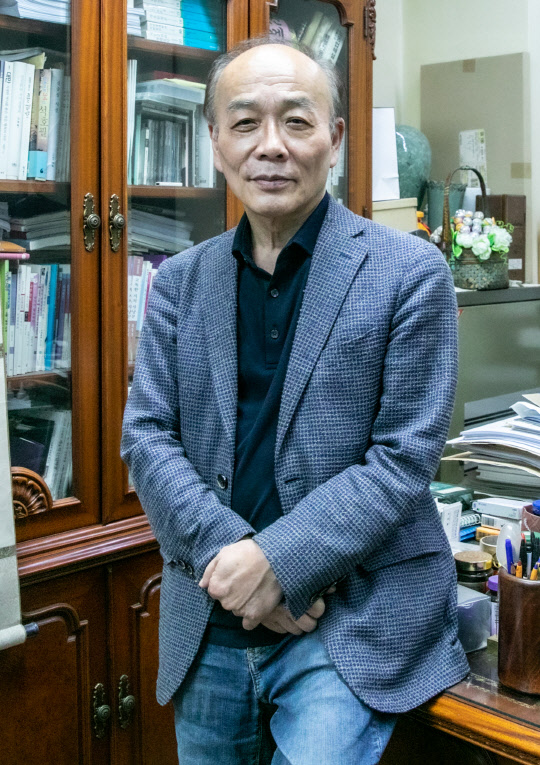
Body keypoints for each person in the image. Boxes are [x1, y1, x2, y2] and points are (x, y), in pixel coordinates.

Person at [121, 37, 469, 765]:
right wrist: (242, 565)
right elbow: (147, 437)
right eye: (245, 123)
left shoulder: (409, 272)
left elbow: (403, 459)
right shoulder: (179, 283)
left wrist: (279, 562)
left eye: (297, 121)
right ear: (216, 143)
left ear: (334, 139)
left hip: (347, 621)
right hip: (211, 615)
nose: (271, 146)